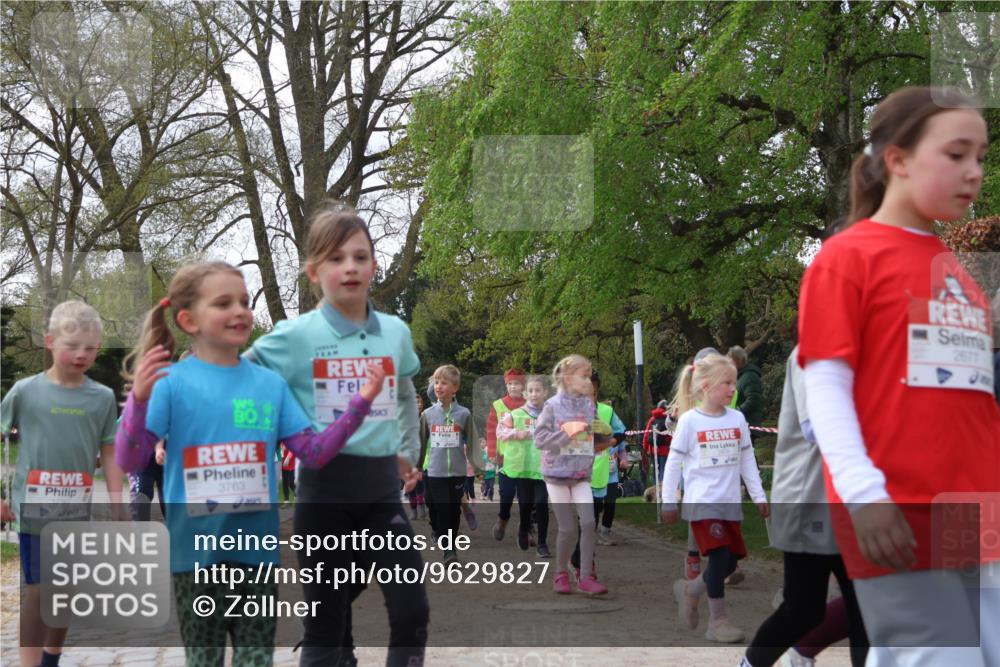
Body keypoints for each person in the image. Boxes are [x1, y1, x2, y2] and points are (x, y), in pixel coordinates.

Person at [798, 87, 998, 666]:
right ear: (898, 159)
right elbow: (826, 389)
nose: (974, 171)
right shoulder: (847, 258)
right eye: (956, 154)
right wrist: (864, 497)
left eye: (981, 157)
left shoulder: (953, 269)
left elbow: (968, 402)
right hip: (896, 511)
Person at [115, 261, 383, 667]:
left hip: (256, 559)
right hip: (195, 560)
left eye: (244, 301)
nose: (240, 311)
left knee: (255, 661)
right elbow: (131, 459)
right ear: (188, 320)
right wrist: (137, 400)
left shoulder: (269, 385)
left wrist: (360, 402)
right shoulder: (170, 383)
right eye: (223, 303)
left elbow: (314, 452)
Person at [246, 203, 428, 667]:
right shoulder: (294, 336)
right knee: (326, 623)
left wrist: (407, 450)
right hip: (323, 494)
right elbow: (235, 376)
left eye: (360, 257)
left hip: (381, 493)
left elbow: (406, 392)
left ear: (373, 267)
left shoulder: (395, 332)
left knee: (411, 609)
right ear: (314, 271)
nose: (350, 267)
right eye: (336, 258)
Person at [0, 300, 125, 667]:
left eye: (91, 347)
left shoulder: (102, 398)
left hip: (75, 513)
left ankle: (51, 658)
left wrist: (118, 502)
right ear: (50, 341)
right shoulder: (25, 391)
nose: (82, 354)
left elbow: (110, 451)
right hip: (34, 512)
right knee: (40, 591)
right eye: (72, 346)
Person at [740, 346, 868, 667]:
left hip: (853, 500)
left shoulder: (866, 349)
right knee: (804, 609)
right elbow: (817, 428)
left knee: (865, 610)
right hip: (810, 497)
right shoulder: (814, 350)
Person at [661, 353, 769, 643]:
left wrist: (758, 495)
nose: (733, 389)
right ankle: (717, 621)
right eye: (727, 383)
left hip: (730, 502)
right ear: (706, 386)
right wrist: (668, 500)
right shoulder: (689, 421)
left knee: (731, 562)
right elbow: (673, 463)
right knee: (720, 556)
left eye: (734, 382)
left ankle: (690, 590)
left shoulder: (737, 419)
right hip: (703, 503)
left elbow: (747, 459)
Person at [534, 355, 615, 595]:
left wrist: (605, 432)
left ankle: (585, 576)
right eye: (584, 376)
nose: (589, 381)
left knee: (589, 523)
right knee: (567, 528)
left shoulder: (589, 406)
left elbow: (597, 436)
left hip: (580, 474)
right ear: (568, 378)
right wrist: (566, 433)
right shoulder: (552, 406)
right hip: (557, 475)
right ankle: (560, 572)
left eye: (590, 376)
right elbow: (540, 440)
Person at [418, 364, 480, 563]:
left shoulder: (464, 414)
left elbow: (472, 441)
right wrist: (415, 467)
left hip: (457, 472)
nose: (439, 386)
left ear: (455, 388)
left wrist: (478, 467)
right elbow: (420, 444)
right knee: (441, 508)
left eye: (444, 383)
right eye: (436, 382)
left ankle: (450, 546)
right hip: (435, 472)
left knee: (453, 511)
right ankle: (448, 549)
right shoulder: (427, 414)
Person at [496, 374, 551, 557]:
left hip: (543, 467)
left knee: (541, 502)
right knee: (526, 505)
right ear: (525, 394)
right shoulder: (515, 414)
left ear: (545, 392)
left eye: (538, 390)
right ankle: (523, 529)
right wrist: (516, 433)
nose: (534, 394)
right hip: (522, 467)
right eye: (531, 391)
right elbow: (500, 432)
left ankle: (542, 544)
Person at [490, 368, 527, 540]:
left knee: (527, 495)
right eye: (510, 383)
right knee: (506, 493)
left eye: (517, 383)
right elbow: (491, 429)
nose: (513, 387)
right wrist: (491, 450)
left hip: (528, 458)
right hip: (506, 457)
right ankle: (503, 519)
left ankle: (527, 526)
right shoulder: (498, 405)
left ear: (523, 385)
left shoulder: (531, 405)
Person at [728, 346, 763, 428]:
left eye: (731, 360)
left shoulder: (749, 376)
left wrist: (737, 412)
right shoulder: (740, 376)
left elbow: (753, 399)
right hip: (742, 422)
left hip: (749, 423)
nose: (729, 363)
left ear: (741, 360)